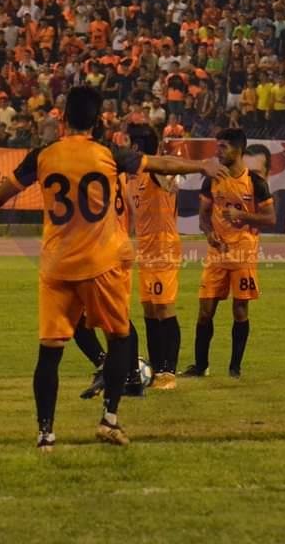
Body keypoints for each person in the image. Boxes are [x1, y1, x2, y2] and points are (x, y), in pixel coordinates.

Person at [0, 86, 225, 449]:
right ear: (96, 121)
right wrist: (201, 165)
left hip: (57, 266)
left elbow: (8, 190)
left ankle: (46, 434)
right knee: (120, 337)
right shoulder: (109, 154)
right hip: (100, 264)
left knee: (50, 351)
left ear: (63, 119)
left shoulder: (43, 155)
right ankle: (109, 419)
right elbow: (160, 164)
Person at [181, 128, 276, 379]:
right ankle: (200, 366)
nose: (218, 151)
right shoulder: (212, 179)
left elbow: (270, 218)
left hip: (243, 254)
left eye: (223, 146)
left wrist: (242, 215)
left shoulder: (255, 182)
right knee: (205, 311)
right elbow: (203, 216)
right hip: (216, 254)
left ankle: (235, 368)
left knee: (240, 311)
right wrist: (208, 233)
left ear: (238, 149)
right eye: (218, 146)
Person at [125, 124, 182, 389]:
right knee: (149, 308)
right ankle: (156, 367)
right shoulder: (132, 177)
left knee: (163, 308)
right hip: (145, 249)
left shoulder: (155, 171)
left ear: (137, 147)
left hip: (163, 248)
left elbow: (168, 174)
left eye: (129, 144)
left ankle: (168, 371)